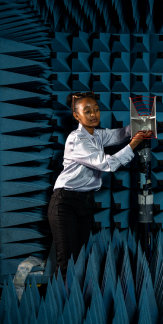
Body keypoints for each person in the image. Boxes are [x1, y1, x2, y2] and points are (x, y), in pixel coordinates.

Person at [48, 91, 152, 279]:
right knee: (66, 262)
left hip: (85, 203)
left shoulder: (96, 136)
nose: (94, 114)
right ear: (76, 116)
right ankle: (62, 304)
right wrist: (134, 144)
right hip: (65, 204)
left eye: (96, 109)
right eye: (87, 111)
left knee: (79, 259)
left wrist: (139, 124)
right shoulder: (77, 139)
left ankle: (76, 300)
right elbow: (107, 164)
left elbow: (120, 134)